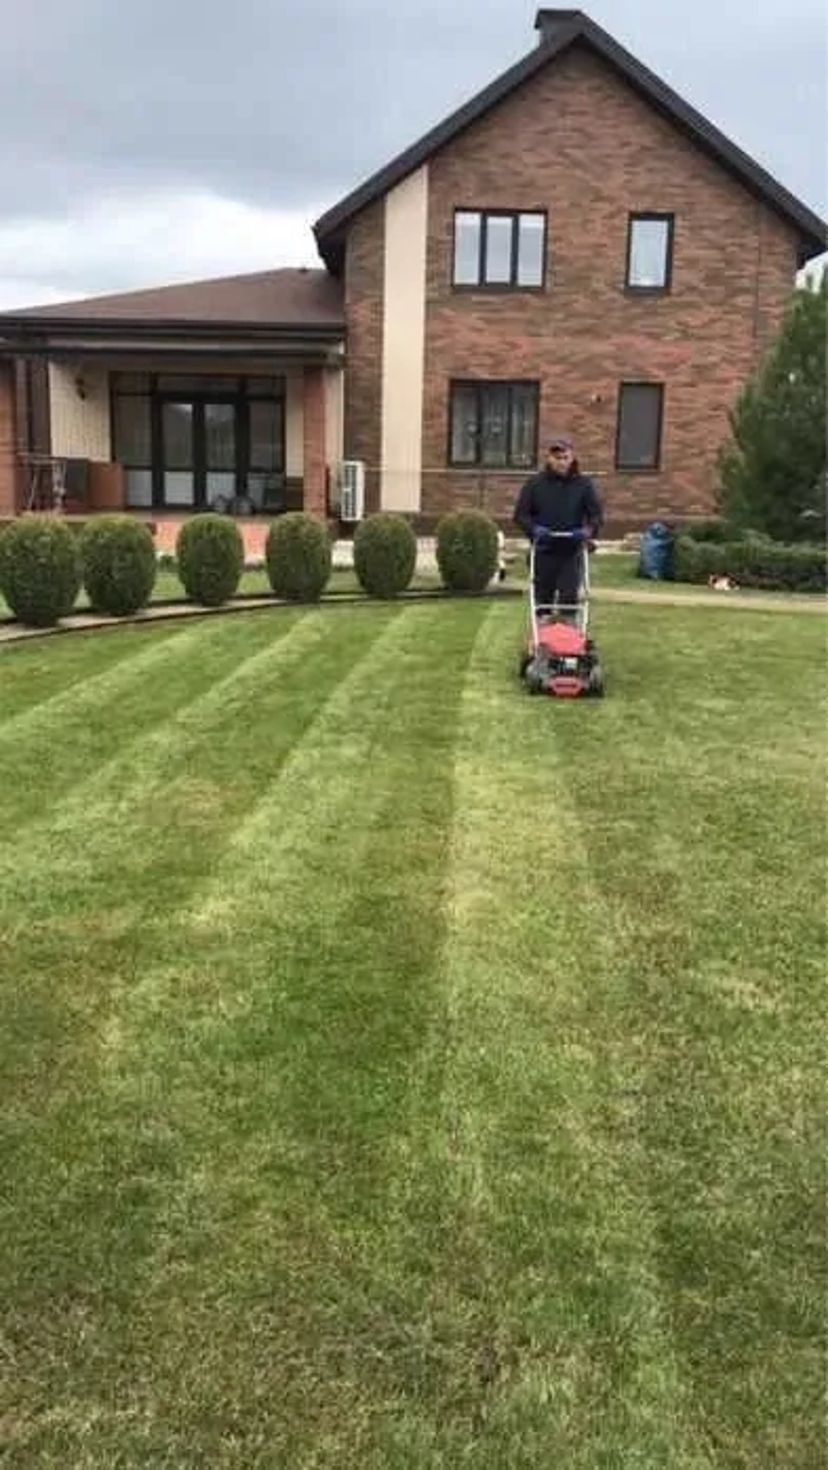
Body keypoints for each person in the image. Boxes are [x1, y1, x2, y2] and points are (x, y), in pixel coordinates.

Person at [513, 436, 603, 619]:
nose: (561, 462)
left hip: (571, 551)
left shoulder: (584, 485)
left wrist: (588, 531)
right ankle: (543, 636)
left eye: (565, 457)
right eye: (557, 458)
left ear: (572, 458)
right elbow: (520, 515)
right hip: (543, 550)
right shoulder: (535, 484)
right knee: (542, 598)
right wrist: (534, 529)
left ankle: (568, 637)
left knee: (569, 597)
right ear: (549, 459)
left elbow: (596, 515)